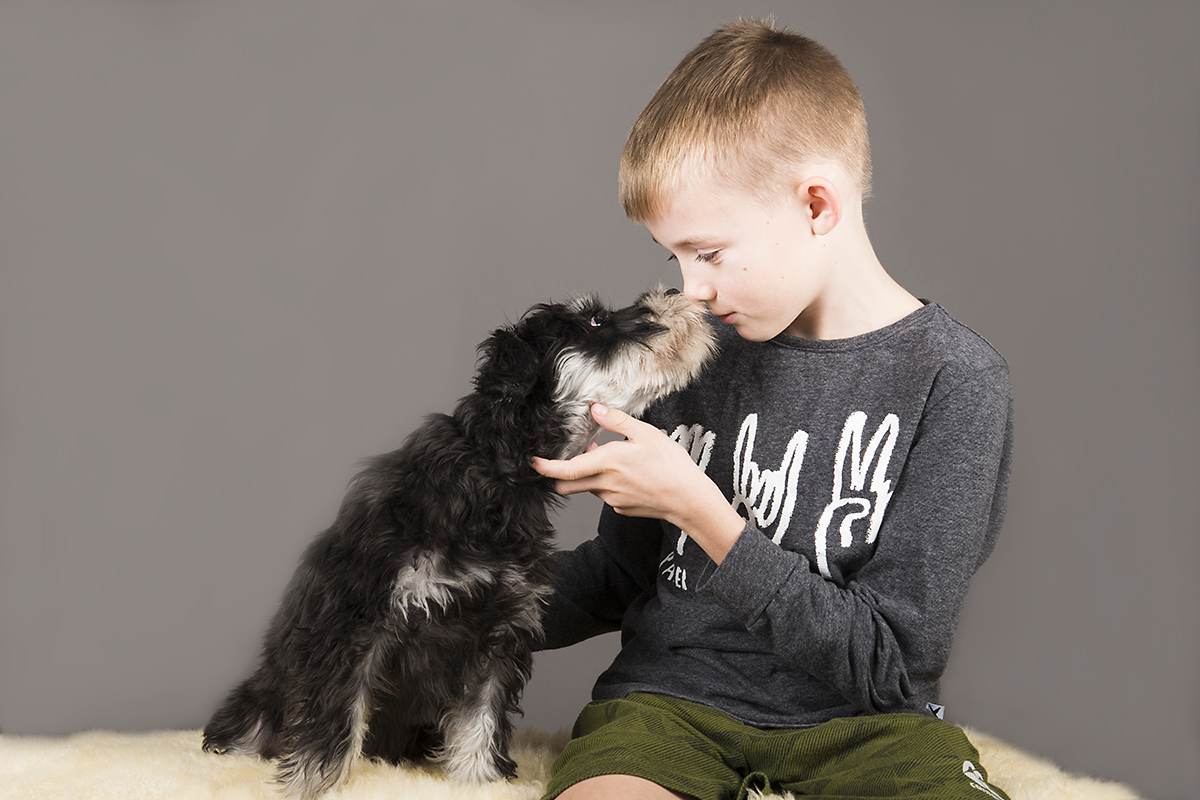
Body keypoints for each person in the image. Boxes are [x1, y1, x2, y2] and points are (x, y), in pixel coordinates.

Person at [531, 18, 1014, 800]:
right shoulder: (695, 352)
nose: (690, 289)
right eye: (675, 257)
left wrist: (704, 513)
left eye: (709, 252)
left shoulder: (956, 382)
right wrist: (466, 598)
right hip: (668, 709)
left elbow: (892, 665)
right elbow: (621, 572)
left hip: (868, 727)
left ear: (817, 206)